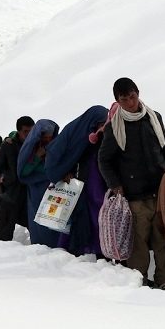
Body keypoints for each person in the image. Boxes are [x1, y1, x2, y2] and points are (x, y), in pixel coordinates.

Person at [98, 78, 165, 288]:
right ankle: (138, 282)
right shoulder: (114, 127)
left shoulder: (154, 118)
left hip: (160, 191)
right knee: (138, 243)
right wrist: (115, 185)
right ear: (117, 101)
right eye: (124, 100)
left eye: (132, 97)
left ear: (138, 93)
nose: (130, 103)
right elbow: (104, 160)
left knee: (163, 241)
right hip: (134, 195)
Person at [41, 105, 110, 256]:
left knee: (97, 214)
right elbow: (55, 157)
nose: (102, 128)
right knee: (83, 216)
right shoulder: (75, 133)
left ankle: (97, 250)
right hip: (80, 183)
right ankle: (81, 251)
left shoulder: (99, 137)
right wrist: (63, 172)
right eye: (100, 124)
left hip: (95, 180)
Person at [17, 119, 62, 247]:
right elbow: (23, 171)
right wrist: (37, 156)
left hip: (54, 191)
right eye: (45, 136)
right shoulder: (30, 149)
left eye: (50, 136)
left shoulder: (55, 146)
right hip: (37, 192)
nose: (48, 139)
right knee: (41, 226)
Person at [0, 116, 35, 241]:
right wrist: (6, 178)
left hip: (29, 193)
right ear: (19, 131)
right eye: (25, 131)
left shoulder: (35, 144)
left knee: (34, 229)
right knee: (5, 233)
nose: (28, 134)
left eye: (31, 131)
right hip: (11, 194)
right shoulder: (8, 145)